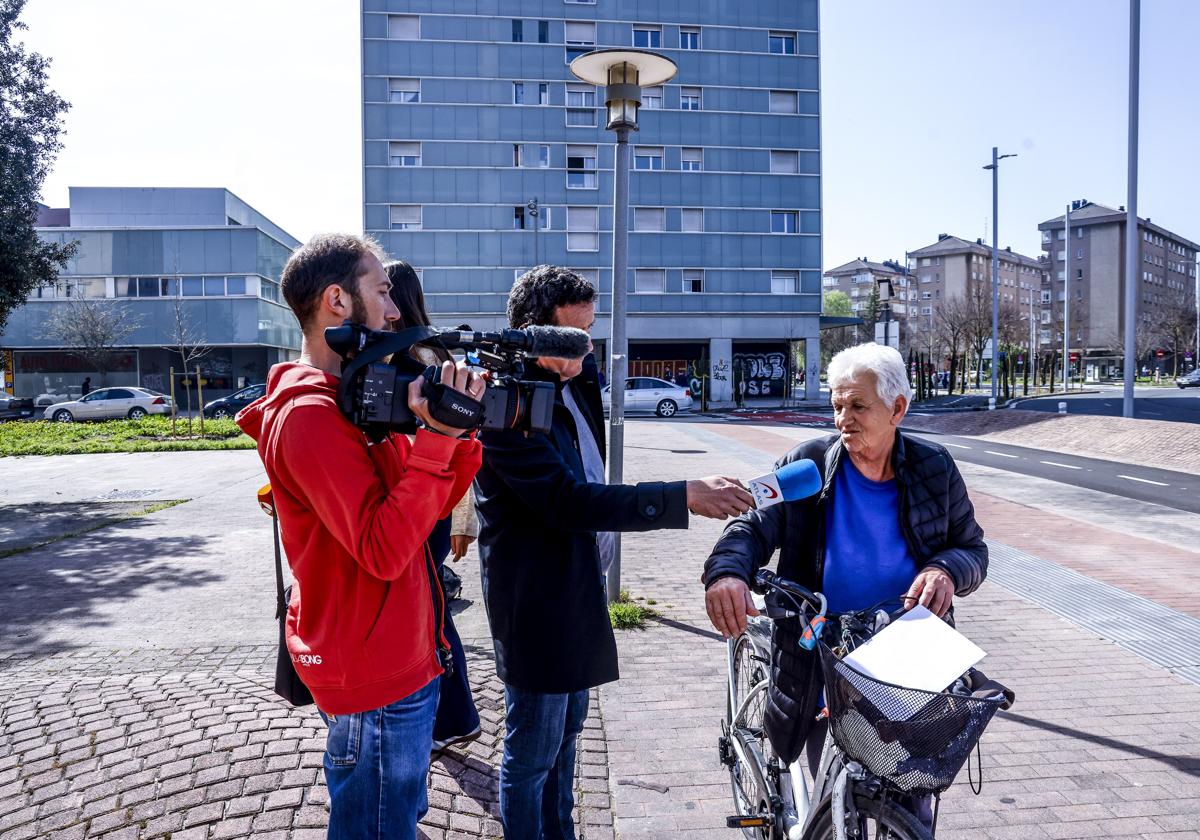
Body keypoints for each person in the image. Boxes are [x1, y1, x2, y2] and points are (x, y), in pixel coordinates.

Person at [475, 265, 756, 840]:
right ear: (535, 335)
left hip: (578, 590)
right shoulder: (506, 408)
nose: (584, 351)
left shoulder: (573, 378)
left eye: (589, 335)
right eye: (571, 338)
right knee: (531, 755)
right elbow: (565, 500)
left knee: (570, 735)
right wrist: (682, 496)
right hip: (537, 604)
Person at [236, 234, 484, 840]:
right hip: (375, 671)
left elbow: (424, 513)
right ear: (336, 301)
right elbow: (382, 548)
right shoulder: (310, 416)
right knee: (376, 826)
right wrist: (438, 443)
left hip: (399, 653)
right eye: (382, 292)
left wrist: (457, 434)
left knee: (393, 816)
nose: (396, 311)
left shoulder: (352, 399)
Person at [702, 342, 987, 783]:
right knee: (827, 788)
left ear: (897, 408)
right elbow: (752, 527)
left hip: (906, 648)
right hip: (821, 647)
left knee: (913, 790)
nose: (842, 420)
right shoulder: (805, 463)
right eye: (837, 405)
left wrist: (944, 570)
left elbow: (972, 550)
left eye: (857, 405)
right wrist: (726, 573)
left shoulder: (934, 467)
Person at [383, 259, 482, 755]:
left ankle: (454, 716)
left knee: (433, 615)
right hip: (436, 503)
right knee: (434, 610)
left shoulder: (408, 359)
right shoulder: (437, 354)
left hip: (418, 499)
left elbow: (449, 442)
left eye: (383, 291)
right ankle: (454, 717)